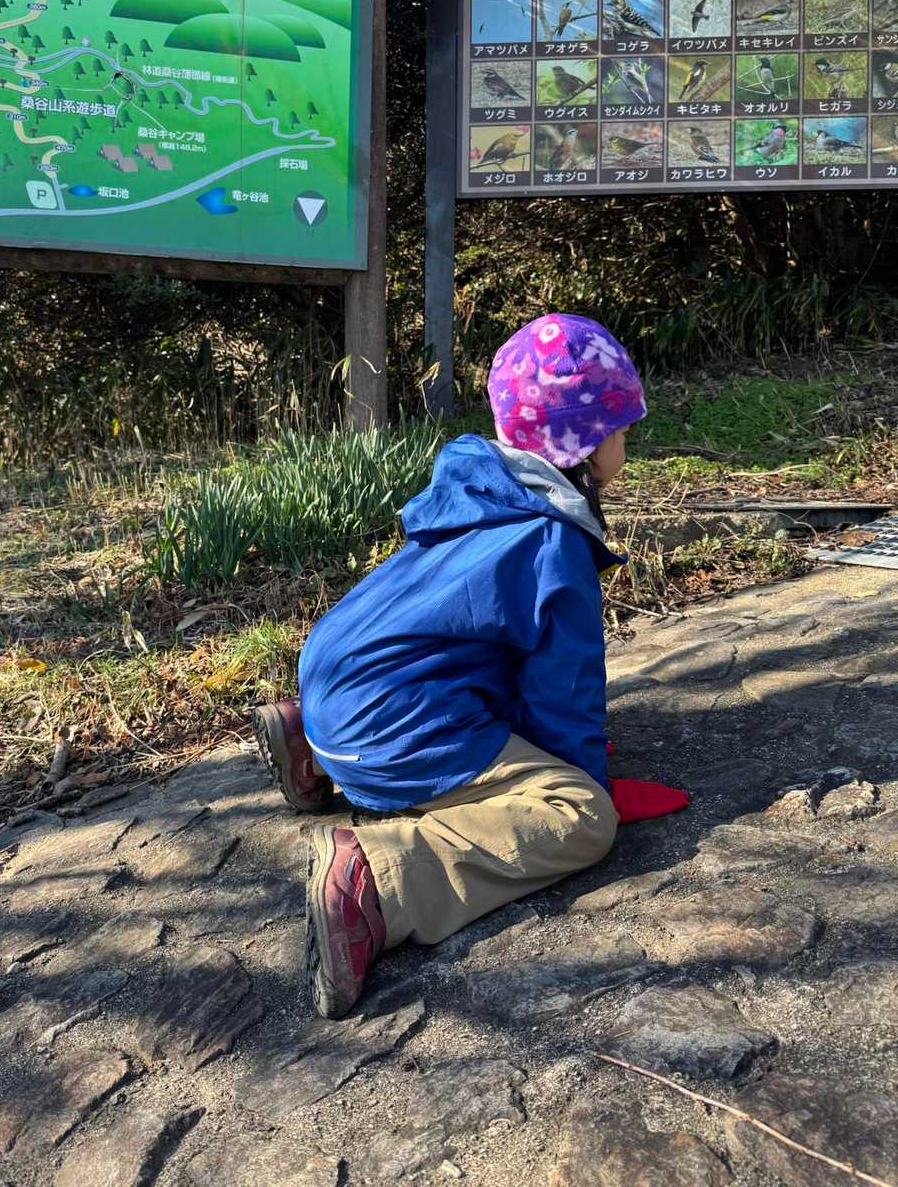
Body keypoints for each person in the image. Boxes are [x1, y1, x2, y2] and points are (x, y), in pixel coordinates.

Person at [252, 314, 689, 1019]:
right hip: (391, 724)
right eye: (621, 429)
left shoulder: (480, 490)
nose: (625, 445)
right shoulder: (553, 542)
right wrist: (587, 782)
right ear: (587, 441)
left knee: (444, 704)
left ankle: (312, 741)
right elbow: (564, 692)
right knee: (579, 820)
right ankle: (380, 881)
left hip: (336, 679)